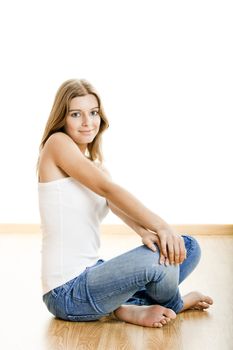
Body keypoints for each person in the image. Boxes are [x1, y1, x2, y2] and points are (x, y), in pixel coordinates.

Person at [37, 79, 213, 328]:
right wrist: (162, 225)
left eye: (94, 112)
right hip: (66, 292)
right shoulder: (57, 144)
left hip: (92, 273)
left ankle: (122, 308)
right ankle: (175, 304)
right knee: (161, 264)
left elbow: (113, 202)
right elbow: (108, 189)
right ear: (62, 118)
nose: (88, 122)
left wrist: (145, 232)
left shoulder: (94, 167)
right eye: (76, 114)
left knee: (187, 247)